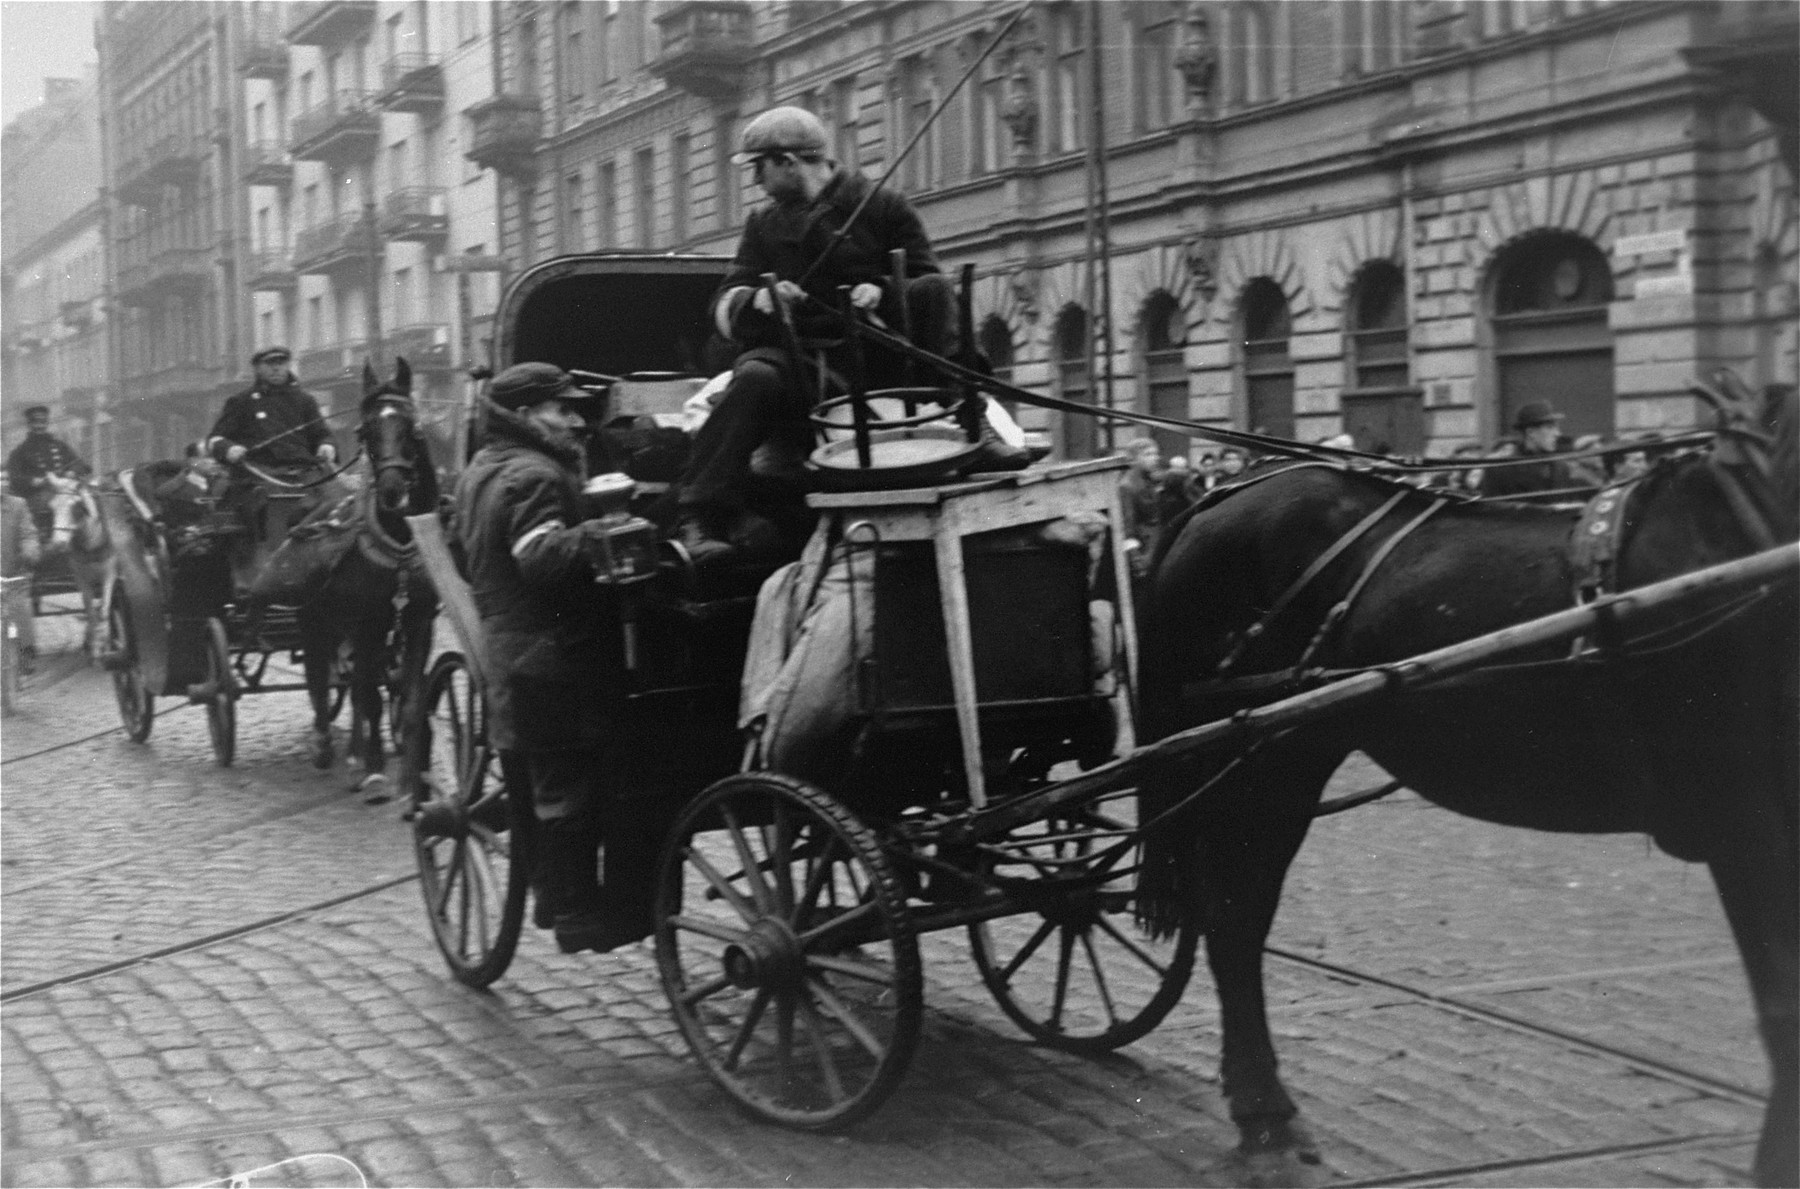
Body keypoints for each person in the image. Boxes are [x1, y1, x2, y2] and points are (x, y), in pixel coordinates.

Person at [676, 104, 1021, 561]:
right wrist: (758, 300)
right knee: (755, 377)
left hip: (883, 361)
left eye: (759, 168)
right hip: (803, 366)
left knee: (938, 291)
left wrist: (882, 291)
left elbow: (927, 281)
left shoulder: (881, 205)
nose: (756, 181)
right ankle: (702, 516)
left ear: (788, 161)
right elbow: (725, 298)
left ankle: (972, 426)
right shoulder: (764, 224)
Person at [453, 362, 656, 955]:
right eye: (561, 410)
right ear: (524, 416)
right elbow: (540, 557)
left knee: (556, 780)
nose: (575, 420)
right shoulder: (534, 474)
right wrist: (615, 531)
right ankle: (574, 911)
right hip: (552, 658)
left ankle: (558, 896)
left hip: (515, 653)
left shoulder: (482, 469)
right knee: (570, 782)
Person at [1481, 401, 1602, 498]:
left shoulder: (1563, 468)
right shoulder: (1499, 471)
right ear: (1531, 432)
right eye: (1550, 428)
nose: (1557, 434)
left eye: (1556, 428)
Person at [7, 405, 91, 543]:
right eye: (35, 422)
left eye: (43, 422)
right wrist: (36, 481)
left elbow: (80, 464)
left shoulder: (59, 446)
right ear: (29, 424)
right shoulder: (20, 452)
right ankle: (50, 540)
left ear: (47, 423)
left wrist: (72, 472)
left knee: (90, 500)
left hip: (66, 490)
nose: (39, 426)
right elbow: (15, 478)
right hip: (38, 496)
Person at [1, 467, 42, 673]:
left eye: (6, 478)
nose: (3, 483)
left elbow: (29, 533)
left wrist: (29, 551)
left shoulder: (18, 506)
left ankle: (27, 652)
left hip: (13, 574)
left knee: (20, 608)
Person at [1119, 437, 1164, 577]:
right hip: (1144, 551)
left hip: (1157, 544)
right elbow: (1127, 527)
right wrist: (1136, 559)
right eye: (1148, 454)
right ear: (1134, 459)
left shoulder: (1151, 480)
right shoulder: (1127, 486)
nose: (1155, 458)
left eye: (1156, 454)